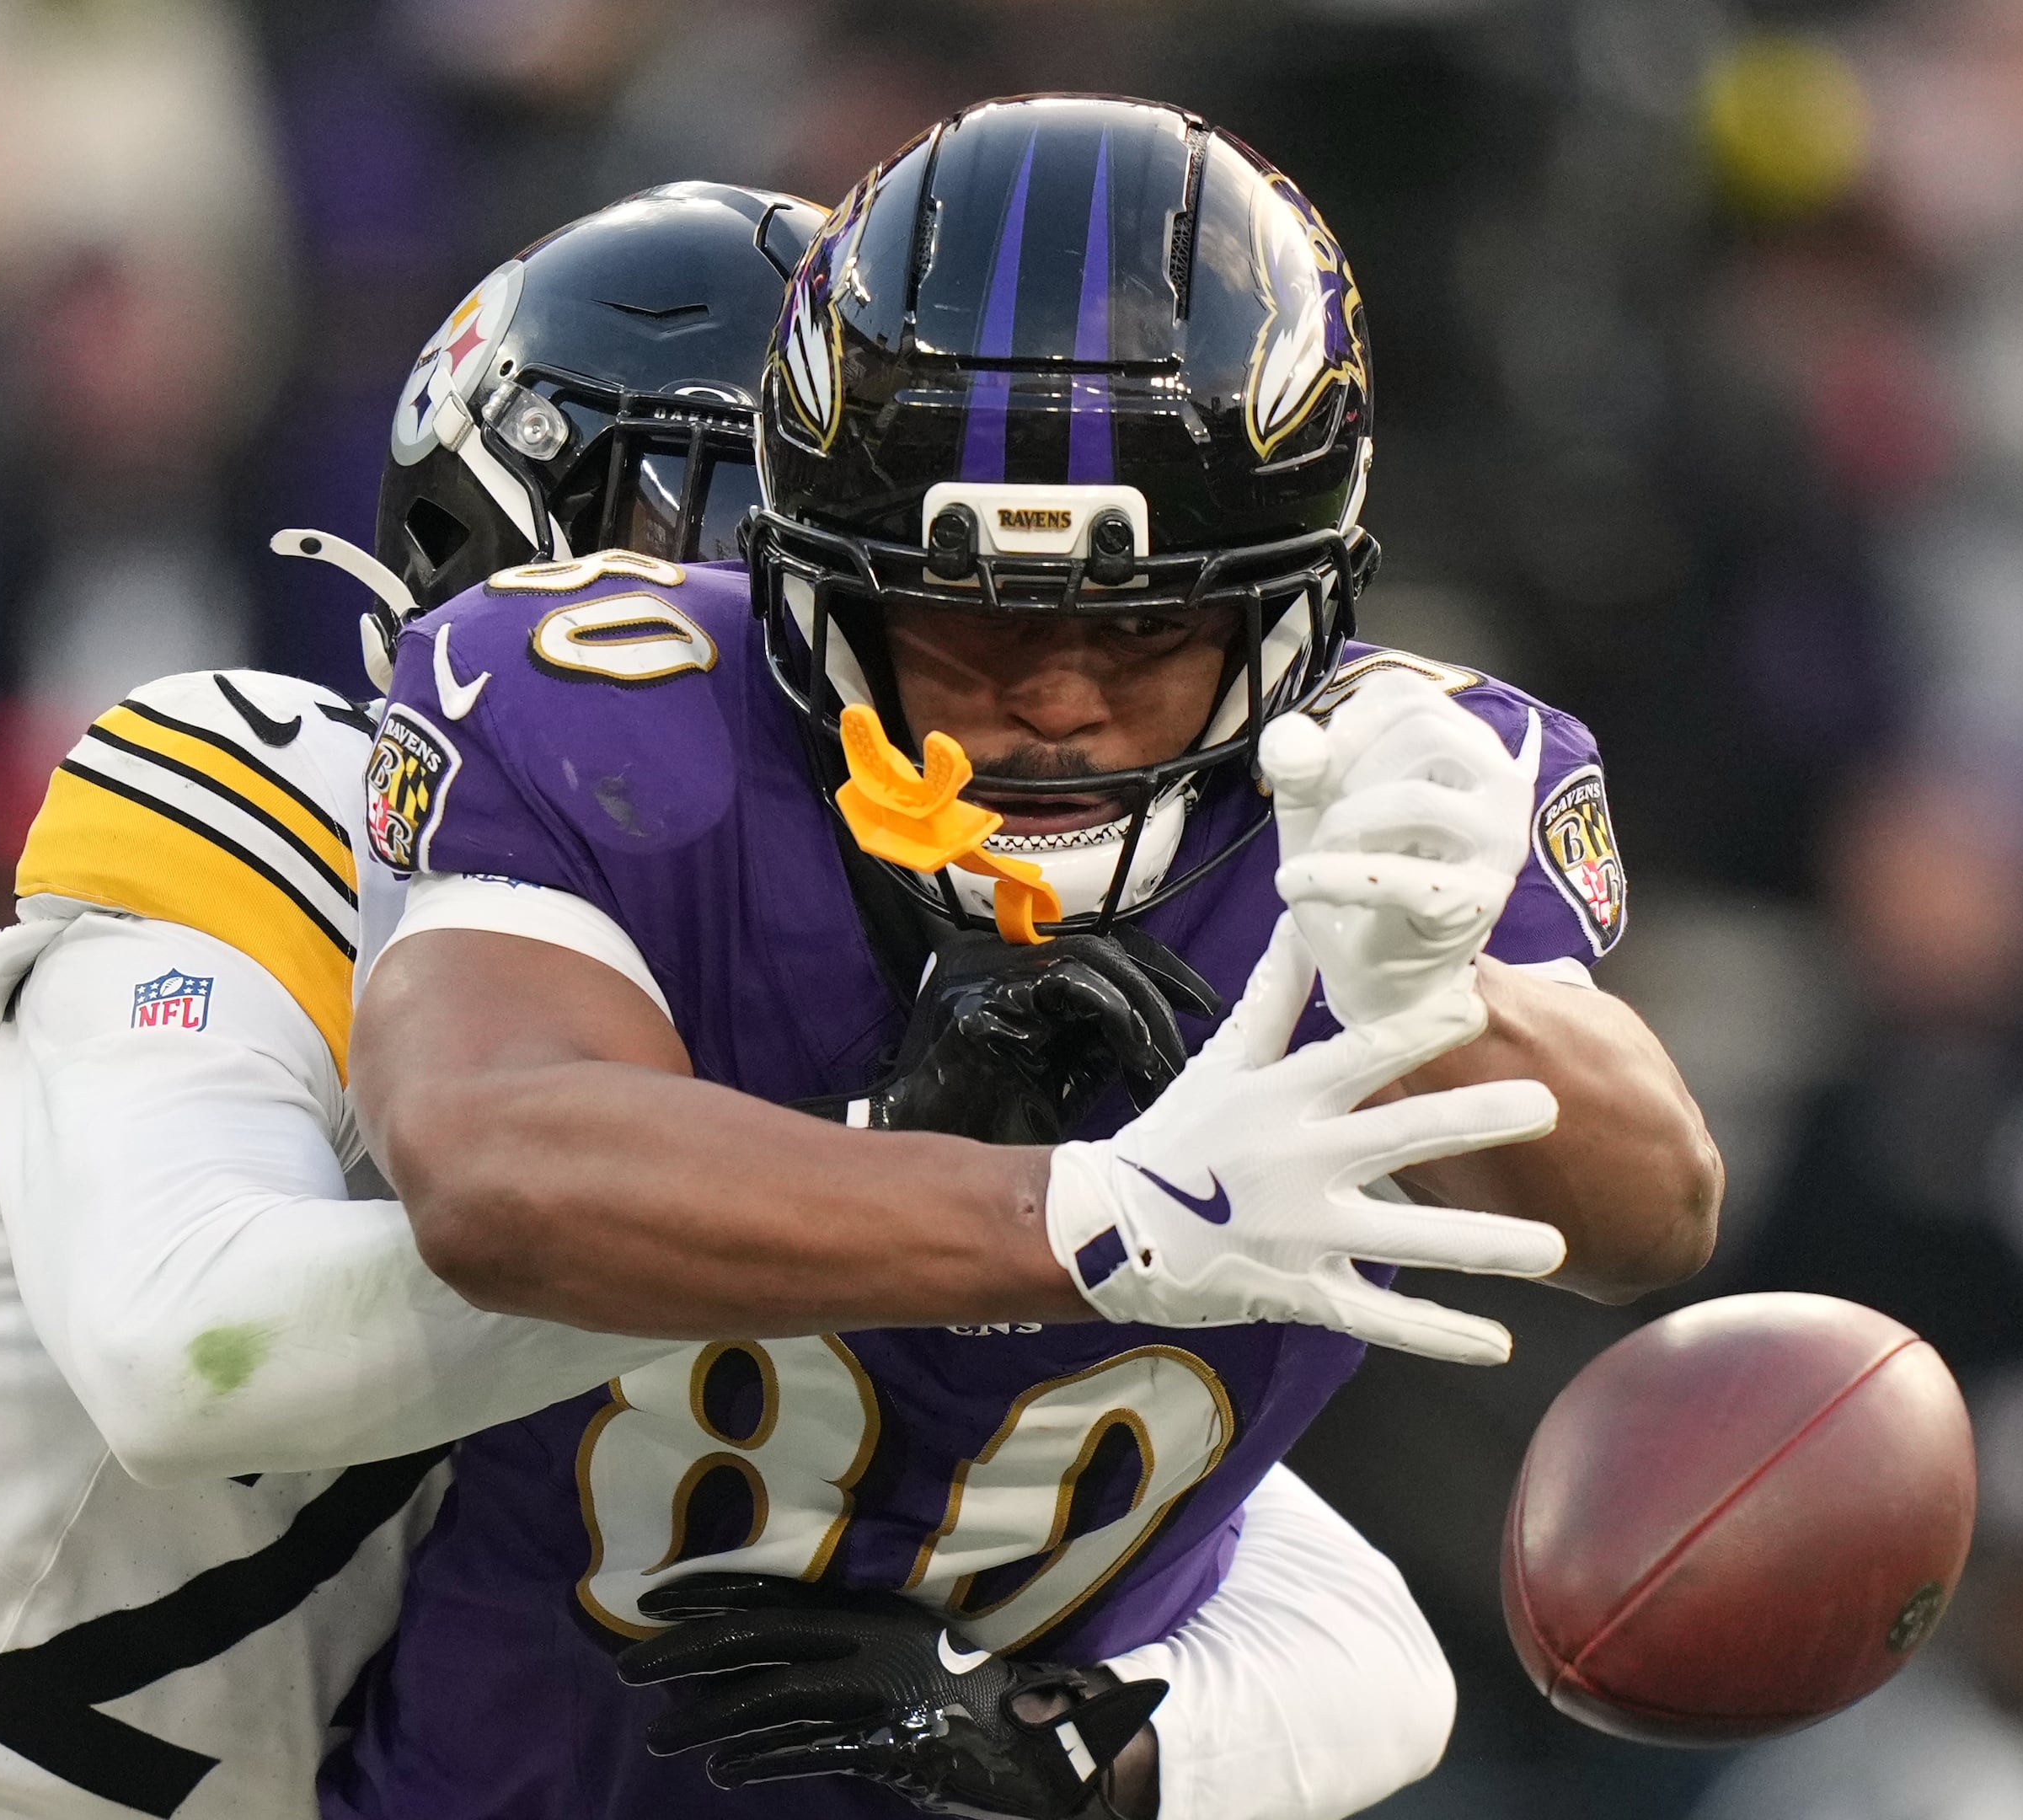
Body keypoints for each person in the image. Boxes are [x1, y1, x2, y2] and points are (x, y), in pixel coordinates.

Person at [0, 183, 1466, 1820]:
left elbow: (1326, 1601)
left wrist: (1101, 1738)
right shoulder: (272, 798)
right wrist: (894, 1194)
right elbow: (197, 1347)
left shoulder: (833, 1002)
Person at [336, 97, 1725, 1820]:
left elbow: (1653, 1213)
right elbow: (486, 1160)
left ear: (1287, 604)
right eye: (976, 616)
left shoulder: (1396, 792)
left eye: (1145, 626)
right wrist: (1094, 1217)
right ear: (824, 582)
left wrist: (1438, 983)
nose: (1062, 697)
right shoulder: (608, 719)